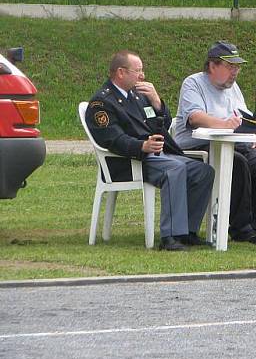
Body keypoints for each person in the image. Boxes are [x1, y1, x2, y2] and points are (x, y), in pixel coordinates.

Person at [85, 51, 215, 251]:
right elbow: (112, 139)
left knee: (203, 171)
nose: (142, 76)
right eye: (137, 71)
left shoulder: (137, 96)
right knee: (174, 169)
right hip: (128, 161)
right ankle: (170, 237)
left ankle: (187, 231)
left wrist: (157, 102)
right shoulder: (102, 103)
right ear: (120, 72)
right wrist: (142, 146)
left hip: (154, 156)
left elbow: (161, 124)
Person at [172, 41, 256, 244]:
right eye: (230, 67)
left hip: (233, 144)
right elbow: (195, 117)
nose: (235, 72)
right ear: (212, 66)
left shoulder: (233, 88)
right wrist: (223, 125)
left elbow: (245, 118)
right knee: (237, 163)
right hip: (198, 147)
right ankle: (241, 228)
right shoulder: (193, 83)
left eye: (237, 67)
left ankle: (250, 226)